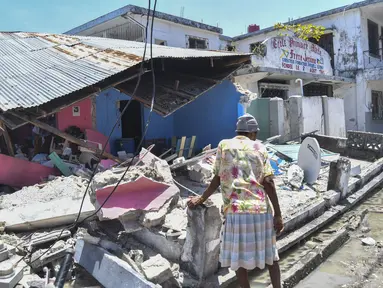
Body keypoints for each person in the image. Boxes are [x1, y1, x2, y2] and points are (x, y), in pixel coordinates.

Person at [187, 114, 284, 288]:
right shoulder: (259, 147)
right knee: (270, 255)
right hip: (260, 210)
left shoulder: (224, 145)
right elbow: (268, 182)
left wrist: (201, 198)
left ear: (238, 131)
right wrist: (278, 214)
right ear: (253, 133)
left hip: (236, 211)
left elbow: (217, 177)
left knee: (239, 260)